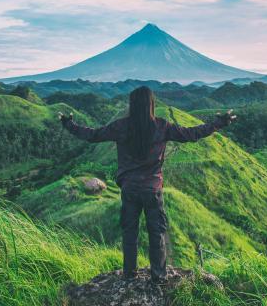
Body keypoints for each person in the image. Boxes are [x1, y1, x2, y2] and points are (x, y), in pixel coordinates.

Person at [58, 86, 236, 284]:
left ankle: (129, 275)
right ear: (152, 104)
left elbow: (93, 135)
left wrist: (69, 125)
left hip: (130, 188)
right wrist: (219, 123)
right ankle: (159, 277)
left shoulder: (121, 126)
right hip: (152, 189)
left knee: (129, 232)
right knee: (157, 232)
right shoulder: (162, 126)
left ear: (132, 105)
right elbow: (191, 134)